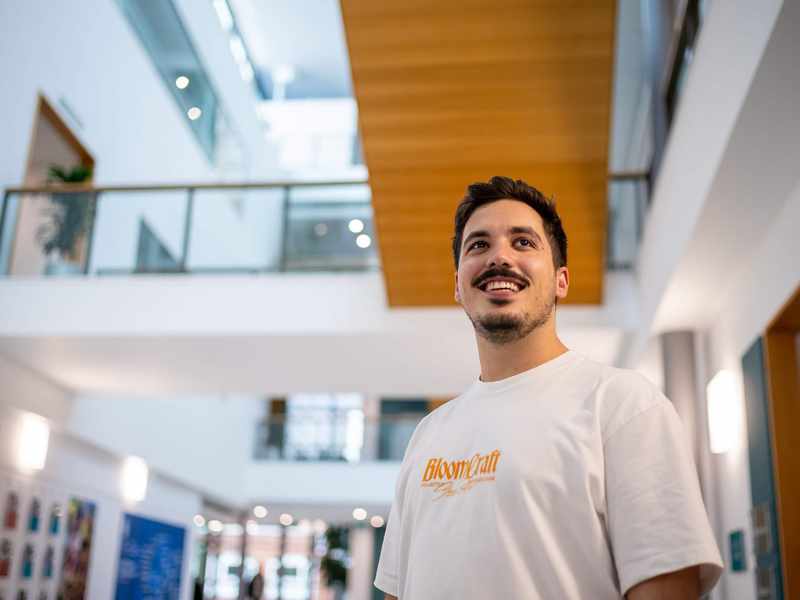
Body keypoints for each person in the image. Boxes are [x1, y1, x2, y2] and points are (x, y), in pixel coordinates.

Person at [374, 177, 723, 599]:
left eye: (523, 242)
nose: (499, 257)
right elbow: (397, 589)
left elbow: (666, 586)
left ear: (561, 280)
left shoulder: (623, 404)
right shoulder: (428, 434)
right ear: (457, 286)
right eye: (478, 245)